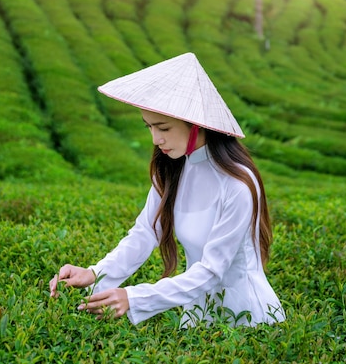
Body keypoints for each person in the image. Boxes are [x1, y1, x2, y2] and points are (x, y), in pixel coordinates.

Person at [49, 52, 285, 327]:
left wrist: (134, 298)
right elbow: (145, 232)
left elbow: (212, 271)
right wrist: (95, 273)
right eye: (148, 126)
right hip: (197, 317)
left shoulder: (237, 184)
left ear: (197, 125)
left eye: (163, 127)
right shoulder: (172, 169)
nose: (155, 138)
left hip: (249, 320)